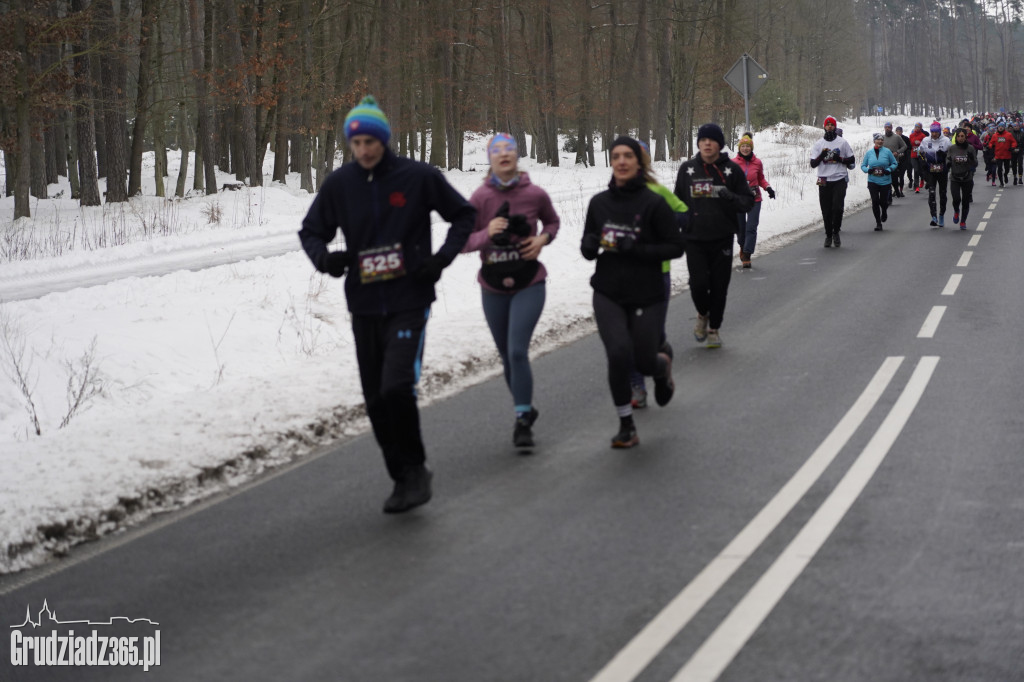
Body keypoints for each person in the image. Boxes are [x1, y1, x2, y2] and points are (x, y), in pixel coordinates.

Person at [298, 95, 476, 514]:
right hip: (363, 303)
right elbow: (310, 231)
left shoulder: (417, 177)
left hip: (410, 298)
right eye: (356, 143)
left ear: (384, 140)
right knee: (375, 400)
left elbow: (463, 215)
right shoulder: (339, 185)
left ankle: (415, 468)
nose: (363, 150)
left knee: (397, 386)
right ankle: (402, 477)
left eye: (370, 142)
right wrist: (326, 259)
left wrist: (439, 260)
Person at [581, 136, 683, 448]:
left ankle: (661, 367)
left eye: (628, 156)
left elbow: (676, 247)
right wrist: (588, 245)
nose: (622, 161)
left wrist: (636, 248)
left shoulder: (653, 203)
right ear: (611, 162)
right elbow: (589, 243)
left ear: (639, 162)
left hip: (646, 292)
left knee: (642, 360)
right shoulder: (600, 203)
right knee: (617, 354)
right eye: (616, 156)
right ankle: (626, 425)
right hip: (608, 291)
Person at [463, 133, 559, 449]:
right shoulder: (480, 198)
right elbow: (462, 240)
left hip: (529, 283)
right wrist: (486, 234)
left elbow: (552, 223)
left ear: (517, 156)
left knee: (517, 350)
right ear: (489, 159)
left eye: (509, 150)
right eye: (497, 151)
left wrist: (542, 239)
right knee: (506, 356)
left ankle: (521, 422)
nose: (503, 154)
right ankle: (526, 407)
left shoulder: (535, 194)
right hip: (492, 286)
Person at [674, 122, 755, 347]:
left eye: (711, 140)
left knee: (719, 287)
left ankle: (714, 329)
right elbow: (677, 202)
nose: (707, 144)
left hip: (722, 238)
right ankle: (702, 314)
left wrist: (731, 197)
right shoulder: (687, 170)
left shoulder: (731, 170)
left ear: (719, 144)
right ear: (698, 143)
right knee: (698, 284)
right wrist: (680, 222)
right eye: (703, 140)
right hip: (694, 238)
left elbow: (748, 201)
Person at [629, 140, 687, 410]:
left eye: (635, 157)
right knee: (630, 334)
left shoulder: (657, 192)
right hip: (624, 275)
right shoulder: (614, 194)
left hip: (656, 273)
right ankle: (637, 388)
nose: (628, 162)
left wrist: (661, 225)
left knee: (651, 335)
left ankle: (662, 358)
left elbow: (684, 215)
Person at [809, 115, 855, 247]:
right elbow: (813, 164)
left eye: (832, 125)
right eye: (827, 124)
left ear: (835, 127)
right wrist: (821, 156)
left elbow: (851, 160)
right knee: (826, 209)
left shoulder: (842, 142)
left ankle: (836, 231)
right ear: (824, 127)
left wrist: (839, 158)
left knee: (837, 207)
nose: (829, 127)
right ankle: (828, 234)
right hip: (823, 180)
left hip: (839, 178)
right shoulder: (819, 144)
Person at [733, 134, 775, 268]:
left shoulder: (757, 162)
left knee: (751, 227)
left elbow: (761, 178)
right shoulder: (733, 163)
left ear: (751, 148)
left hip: (754, 198)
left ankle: (747, 254)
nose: (745, 149)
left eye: (748, 146)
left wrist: (768, 188)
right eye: (743, 146)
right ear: (739, 148)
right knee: (740, 228)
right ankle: (742, 245)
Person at [861, 133, 898, 231]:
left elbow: (895, 163)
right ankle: (878, 223)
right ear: (874, 141)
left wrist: (889, 170)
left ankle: (884, 211)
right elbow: (863, 165)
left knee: (883, 201)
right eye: (878, 139)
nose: (880, 141)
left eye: (882, 140)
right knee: (875, 201)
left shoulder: (887, 152)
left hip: (885, 181)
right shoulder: (869, 153)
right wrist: (867, 170)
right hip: (872, 181)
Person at [918, 121, 952, 226]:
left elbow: (951, 155)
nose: (934, 134)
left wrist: (945, 157)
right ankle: (934, 216)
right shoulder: (925, 140)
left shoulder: (946, 141)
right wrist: (923, 161)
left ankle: (941, 215)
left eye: (936, 132)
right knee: (931, 193)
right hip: (931, 170)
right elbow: (920, 152)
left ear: (940, 131)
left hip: (942, 170)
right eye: (932, 132)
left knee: (942, 194)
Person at [948, 127, 978, 230]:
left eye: (962, 136)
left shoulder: (970, 148)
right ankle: (956, 211)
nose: (960, 138)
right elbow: (948, 160)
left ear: (965, 137)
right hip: (955, 178)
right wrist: (946, 163)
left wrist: (970, 159)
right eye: (959, 136)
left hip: (967, 178)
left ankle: (963, 221)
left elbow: (975, 164)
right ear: (956, 137)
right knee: (956, 199)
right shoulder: (952, 148)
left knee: (965, 201)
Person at [881, 122, 907, 200]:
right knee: (886, 179)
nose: (887, 129)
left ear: (891, 128)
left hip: (894, 161)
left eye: (888, 127)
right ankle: (889, 197)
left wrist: (898, 152)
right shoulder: (882, 138)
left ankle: (896, 189)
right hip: (884, 162)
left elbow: (904, 146)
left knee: (894, 179)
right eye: (886, 127)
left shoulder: (897, 137)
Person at [987, 121, 1017, 188]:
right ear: (997, 127)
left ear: (1004, 128)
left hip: (1007, 155)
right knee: (999, 168)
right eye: (999, 127)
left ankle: (1005, 175)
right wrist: (991, 146)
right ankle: (1001, 182)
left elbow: (1014, 142)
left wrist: (1012, 147)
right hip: (998, 155)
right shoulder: (995, 135)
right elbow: (990, 143)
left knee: (1007, 169)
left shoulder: (1008, 135)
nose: (1000, 128)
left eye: (1002, 127)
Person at [908, 122, 927, 192]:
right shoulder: (911, 135)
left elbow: (925, 145)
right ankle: (916, 186)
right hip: (913, 155)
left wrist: (920, 145)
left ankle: (922, 179)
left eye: (918, 127)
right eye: (916, 127)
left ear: (921, 128)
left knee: (921, 169)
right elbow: (909, 144)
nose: (917, 128)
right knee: (916, 170)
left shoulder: (923, 136)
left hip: (921, 155)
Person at [895, 126, 913, 197]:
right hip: (895, 160)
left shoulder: (905, 138)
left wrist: (904, 151)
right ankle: (896, 189)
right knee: (895, 176)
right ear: (895, 132)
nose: (899, 133)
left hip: (903, 160)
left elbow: (910, 147)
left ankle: (901, 190)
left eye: (900, 131)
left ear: (902, 132)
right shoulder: (893, 139)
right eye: (897, 131)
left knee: (901, 176)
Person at [1010, 121, 1024, 185]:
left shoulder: (1022, 133)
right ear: (1013, 127)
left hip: (1020, 150)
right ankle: (1015, 177)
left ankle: (1020, 178)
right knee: (1014, 164)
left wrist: (1021, 148)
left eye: (1017, 126)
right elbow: (1008, 143)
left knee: (1020, 164)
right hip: (1013, 151)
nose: (1016, 127)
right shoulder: (1010, 134)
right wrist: (1012, 149)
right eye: (1015, 126)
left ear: (1019, 126)